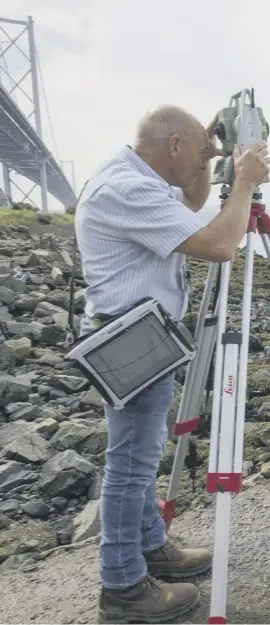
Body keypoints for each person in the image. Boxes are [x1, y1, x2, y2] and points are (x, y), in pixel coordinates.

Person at [75, 105, 270, 624]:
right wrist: (246, 183)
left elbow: (193, 199)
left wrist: (213, 152)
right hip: (133, 336)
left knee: (140, 454)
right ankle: (123, 587)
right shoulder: (127, 190)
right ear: (174, 147)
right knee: (132, 464)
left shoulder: (138, 173)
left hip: (140, 331)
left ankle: (151, 547)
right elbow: (222, 244)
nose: (207, 159)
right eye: (199, 152)